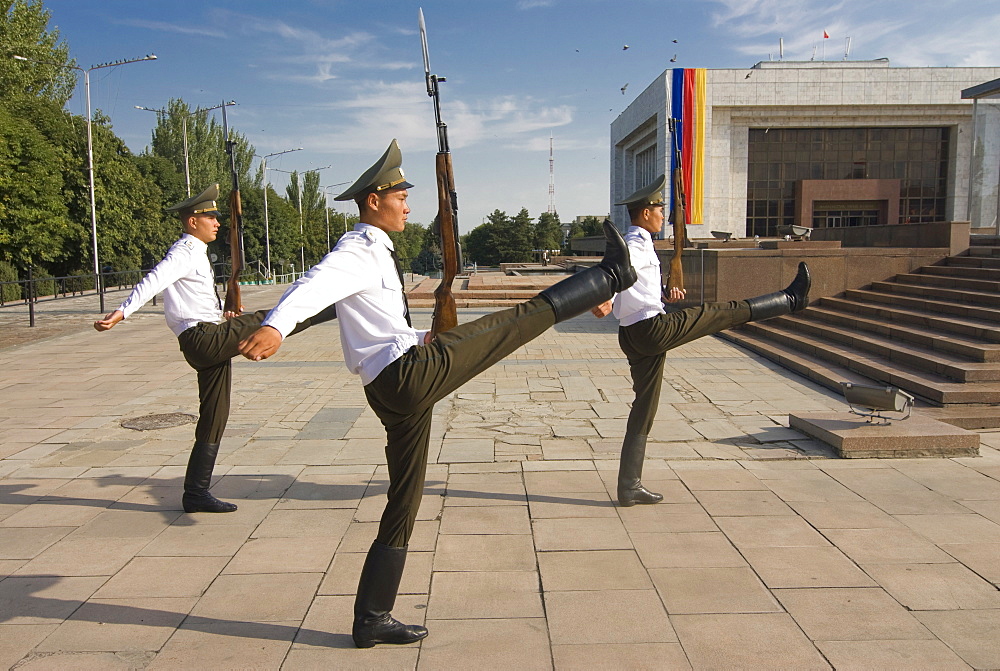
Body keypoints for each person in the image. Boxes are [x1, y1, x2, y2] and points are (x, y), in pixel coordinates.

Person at [236, 139, 637, 648]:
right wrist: (276, 327)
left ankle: (372, 618)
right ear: (374, 201)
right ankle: (610, 275)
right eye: (401, 196)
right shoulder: (357, 249)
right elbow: (311, 287)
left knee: (404, 498)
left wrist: (419, 337)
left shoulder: (377, 252)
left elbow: (377, 326)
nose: (407, 204)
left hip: (395, 376)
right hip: (403, 378)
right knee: (511, 324)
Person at [94, 185, 335, 514]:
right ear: (193, 221)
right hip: (202, 339)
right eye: (210, 217)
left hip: (205, 335)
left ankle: (195, 493)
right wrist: (122, 312)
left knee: (215, 415)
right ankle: (337, 303)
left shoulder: (195, 252)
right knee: (272, 320)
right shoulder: (185, 250)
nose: (216, 222)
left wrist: (223, 315)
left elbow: (190, 303)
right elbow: (155, 279)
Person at [593, 174, 810, 507]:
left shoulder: (643, 242)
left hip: (634, 333)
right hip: (651, 330)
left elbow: (635, 283)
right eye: (660, 208)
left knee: (644, 410)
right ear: (645, 212)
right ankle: (789, 300)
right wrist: (606, 297)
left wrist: (664, 294)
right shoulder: (635, 243)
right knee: (720, 312)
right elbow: (620, 269)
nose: (664, 213)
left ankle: (629, 486)